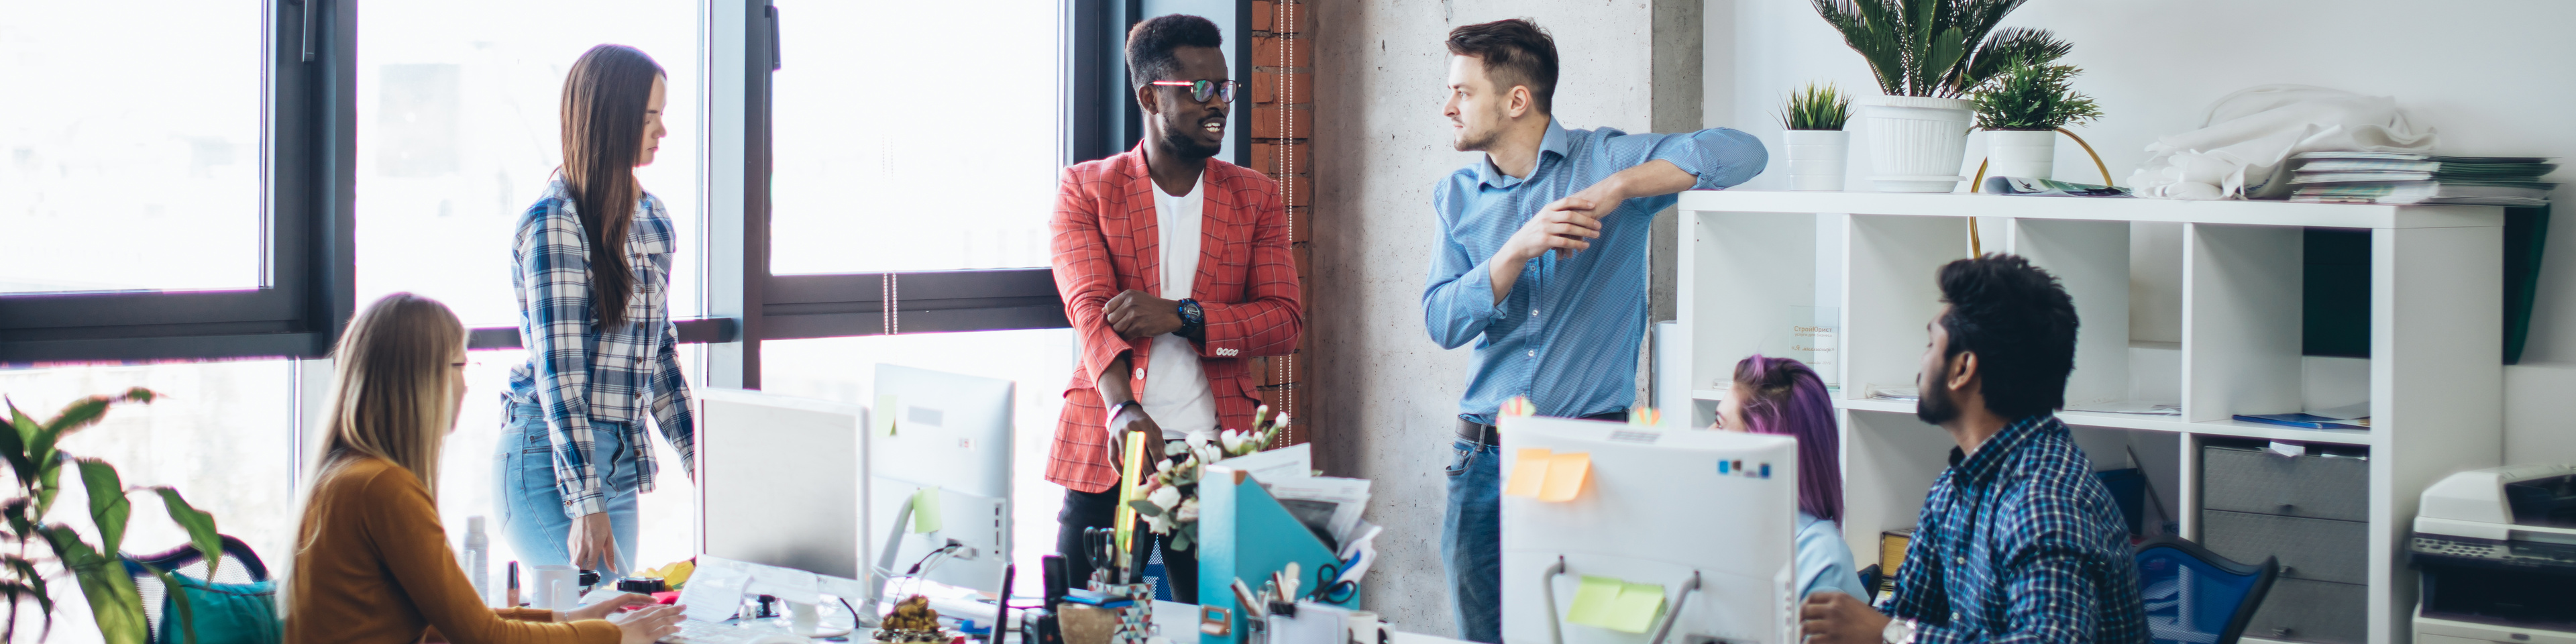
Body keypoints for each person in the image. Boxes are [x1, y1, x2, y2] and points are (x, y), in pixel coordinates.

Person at [1419, 17, 1765, 643]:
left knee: (1587, 635)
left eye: (1463, 92)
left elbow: (1745, 152)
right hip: (1482, 460)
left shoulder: (1605, 159)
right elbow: (1441, 322)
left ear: (1517, 99)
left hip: (1588, 454)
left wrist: (1620, 187)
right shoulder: (1456, 197)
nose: (1449, 107)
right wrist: (1514, 253)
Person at [1047, 14, 1303, 603]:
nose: (1220, 104)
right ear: (1149, 96)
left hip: (1216, 455)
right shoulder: (1087, 190)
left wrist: (1182, 315)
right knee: (1084, 625)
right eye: (1201, 91)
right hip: (1109, 448)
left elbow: (1283, 322)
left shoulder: (1256, 197)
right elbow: (1090, 309)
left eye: (1225, 88)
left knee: (1223, 626)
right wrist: (1123, 411)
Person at [288, 292, 686, 644]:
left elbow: (453, 623)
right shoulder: (383, 487)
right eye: (460, 366)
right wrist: (615, 636)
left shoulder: (348, 475)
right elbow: (482, 636)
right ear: (421, 381)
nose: (465, 384)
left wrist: (569, 618)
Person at [1798, 255, 2147, 644]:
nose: (1921, 361)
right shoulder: (1954, 488)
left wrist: (1890, 634)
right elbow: (1906, 616)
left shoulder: (2043, 499)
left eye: (1931, 343)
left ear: (1962, 368)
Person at [500, 44, 696, 577]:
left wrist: (700, 460)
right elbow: (559, 375)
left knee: (626, 616)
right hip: (547, 458)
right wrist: (587, 502)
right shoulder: (553, 223)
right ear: (613, 119)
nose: (662, 130)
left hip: (616, 459)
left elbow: (658, 357)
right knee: (606, 621)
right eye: (650, 116)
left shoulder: (652, 219)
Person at [1713, 354, 1868, 600]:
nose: (1706, 434)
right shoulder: (1719, 523)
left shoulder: (1821, 559)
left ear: (1763, 449)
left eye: (1720, 425)